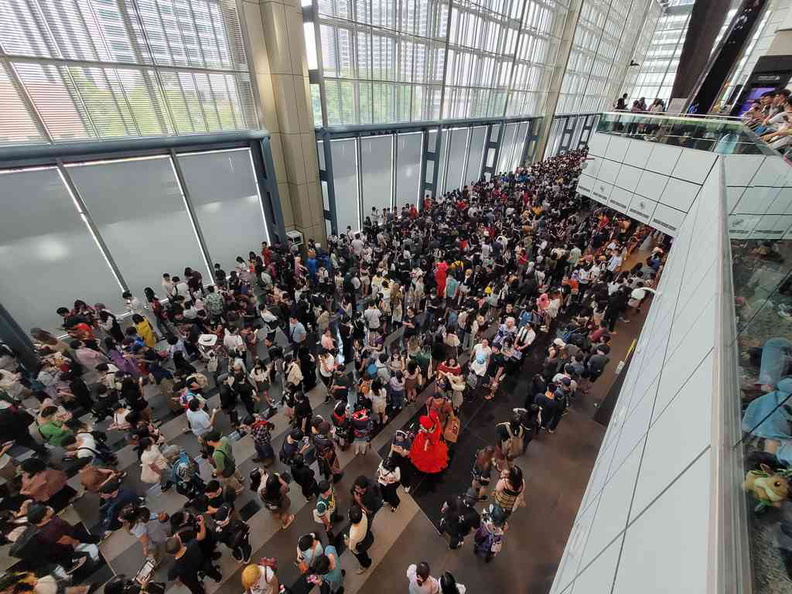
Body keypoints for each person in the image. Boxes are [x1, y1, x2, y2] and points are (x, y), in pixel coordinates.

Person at [166, 515, 222, 594]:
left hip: (188, 575)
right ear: (180, 541)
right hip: (200, 562)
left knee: (194, 586)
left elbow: (171, 577)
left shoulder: (174, 567)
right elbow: (200, 539)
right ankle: (217, 577)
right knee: (209, 569)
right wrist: (202, 523)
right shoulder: (193, 544)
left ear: (171, 554)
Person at [345, 504, 373, 574]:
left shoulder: (353, 534)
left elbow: (352, 547)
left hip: (360, 546)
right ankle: (367, 561)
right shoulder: (363, 513)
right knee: (364, 554)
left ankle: (365, 565)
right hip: (366, 535)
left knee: (361, 556)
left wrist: (347, 542)